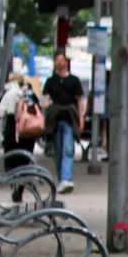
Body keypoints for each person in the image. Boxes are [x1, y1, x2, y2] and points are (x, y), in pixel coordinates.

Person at [42, 56, 86, 193]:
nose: (59, 62)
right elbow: (46, 99)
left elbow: (80, 101)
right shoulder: (50, 81)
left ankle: (65, 179)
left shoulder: (74, 80)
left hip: (69, 119)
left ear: (66, 62)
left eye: (61, 60)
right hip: (55, 119)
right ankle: (62, 179)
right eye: (57, 60)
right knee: (58, 152)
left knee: (67, 149)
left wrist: (81, 118)